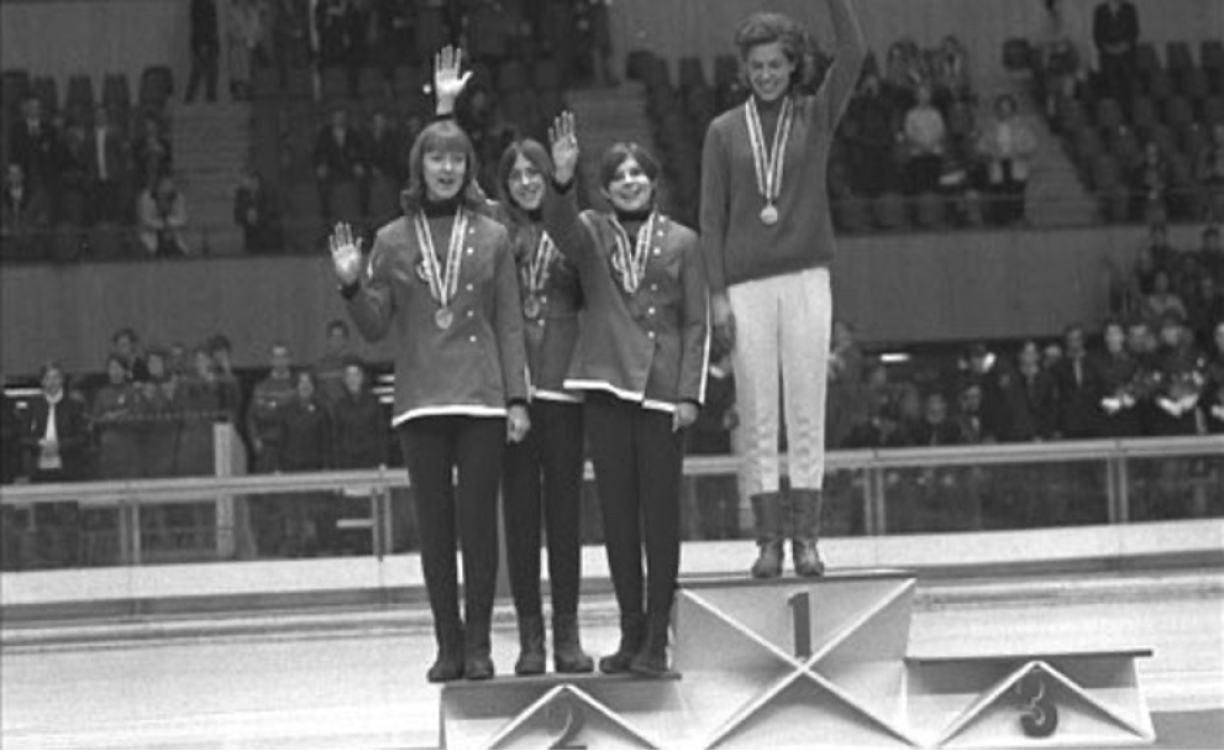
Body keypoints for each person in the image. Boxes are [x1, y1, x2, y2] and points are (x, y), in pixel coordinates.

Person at [328, 116, 530, 682]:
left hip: (482, 396)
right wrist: (350, 285)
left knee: (477, 530)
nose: (447, 168)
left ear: (469, 169)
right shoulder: (392, 238)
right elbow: (373, 327)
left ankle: (481, 645)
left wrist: (518, 398)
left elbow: (509, 323)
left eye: (457, 159)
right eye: (437, 159)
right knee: (436, 531)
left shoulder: (492, 234)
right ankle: (448, 644)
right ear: (420, 166)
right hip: (420, 400)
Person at [430, 46, 594, 677]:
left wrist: (563, 182)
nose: (527, 181)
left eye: (537, 172)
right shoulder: (493, 226)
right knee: (521, 521)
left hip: (565, 390)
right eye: (519, 174)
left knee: (566, 521)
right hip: (513, 396)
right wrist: (446, 108)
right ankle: (530, 638)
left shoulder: (578, 225)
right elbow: (454, 181)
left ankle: (569, 636)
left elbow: (578, 246)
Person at [699, 1, 866, 579]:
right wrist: (717, 294)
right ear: (744, 70)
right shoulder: (723, 131)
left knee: (805, 411)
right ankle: (768, 541)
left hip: (805, 280)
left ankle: (807, 541)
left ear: (793, 66)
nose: (766, 74)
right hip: (744, 286)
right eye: (757, 66)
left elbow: (855, 54)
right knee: (757, 415)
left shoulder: (815, 116)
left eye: (776, 64)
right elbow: (710, 218)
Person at [545, 111, 710, 676]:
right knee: (617, 519)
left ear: (654, 181)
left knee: (659, 519)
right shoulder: (590, 230)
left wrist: (690, 393)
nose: (630, 181)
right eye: (619, 176)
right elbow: (557, 229)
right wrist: (562, 180)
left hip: (663, 391)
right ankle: (630, 633)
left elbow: (697, 323)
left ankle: (658, 642)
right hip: (608, 386)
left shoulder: (685, 241)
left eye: (638, 173)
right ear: (606, 187)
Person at [978, 94, 1038, 226]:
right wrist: (991, 153)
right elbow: (981, 146)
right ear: (997, 110)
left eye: (1007, 107)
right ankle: (1001, 220)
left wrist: (1019, 151)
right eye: (1001, 108)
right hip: (998, 165)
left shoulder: (1022, 127)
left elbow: (1032, 144)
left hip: (1016, 164)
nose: (1005, 111)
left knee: (1016, 193)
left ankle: (1017, 218)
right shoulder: (991, 128)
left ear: (1013, 109)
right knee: (1000, 194)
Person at [1092, 0, 1139, 103]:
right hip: (1108, 58)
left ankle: (1128, 117)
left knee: (1127, 92)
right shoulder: (1100, 10)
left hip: (1127, 58)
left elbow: (1134, 32)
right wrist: (1108, 48)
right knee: (1110, 93)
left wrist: (1125, 46)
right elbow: (1097, 35)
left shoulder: (1130, 9)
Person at [137, 174, 190, 256]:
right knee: (150, 250)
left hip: (172, 232)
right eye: (163, 192)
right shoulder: (147, 197)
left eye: (168, 193)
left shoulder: (177, 197)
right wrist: (162, 225)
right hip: (150, 232)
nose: (165, 196)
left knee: (182, 251)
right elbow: (145, 219)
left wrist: (168, 222)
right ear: (158, 188)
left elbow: (182, 218)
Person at [186, 0, 221, 103]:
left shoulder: (211, 3)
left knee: (212, 71)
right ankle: (189, 98)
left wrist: (216, 43)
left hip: (211, 41)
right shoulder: (197, 3)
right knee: (198, 71)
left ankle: (210, 98)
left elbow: (213, 24)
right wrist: (202, 43)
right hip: (202, 41)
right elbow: (198, 24)